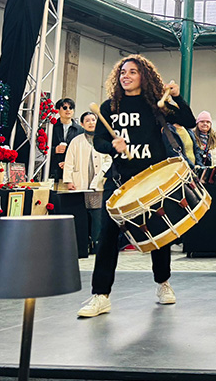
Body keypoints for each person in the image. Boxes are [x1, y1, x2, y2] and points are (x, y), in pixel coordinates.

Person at [77, 55, 196, 318]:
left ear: (144, 75)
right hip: (120, 179)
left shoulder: (155, 104)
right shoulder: (109, 107)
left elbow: (189, 121)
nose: (126, 76)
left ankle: (163, 282)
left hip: (152, 178)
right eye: (122, 72)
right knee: (107, 236)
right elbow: (98, 141)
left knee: (160, 234)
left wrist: (177, 97)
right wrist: (113, 146)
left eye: (132, 71)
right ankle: (100, 295)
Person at [61, 111, 112, 253]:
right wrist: (68, 180)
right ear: (82, 124)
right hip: (80, 184)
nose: (91, 123)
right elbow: (69, 162)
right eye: (87, 120)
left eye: (93, 120)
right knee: (82, 215)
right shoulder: (76, 141)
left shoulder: (103, 139)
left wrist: (103, 171)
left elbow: (109, 158)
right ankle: (84, 245)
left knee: (97, 215)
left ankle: (96, 244)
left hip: (98, 184)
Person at [49, 97, 83, 182]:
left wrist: (68, 163)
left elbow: (81, 151)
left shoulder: (80, 130)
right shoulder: (51, 127)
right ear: (58, 110)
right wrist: (55, 150)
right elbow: (42, 149)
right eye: (64, 108)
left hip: (72, 169)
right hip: (53, 168)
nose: (68, 110)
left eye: (71, 108)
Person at [190, 111, 216, 179]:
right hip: (195, 174)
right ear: (197, 123)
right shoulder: (191, 137)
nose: (205, 124)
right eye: (202, 121)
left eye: (208, 122)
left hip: (211, 176)